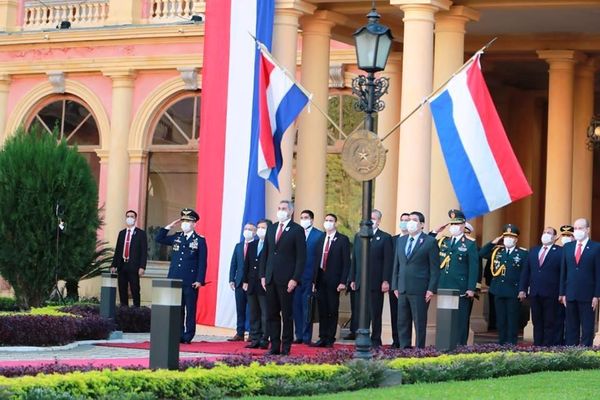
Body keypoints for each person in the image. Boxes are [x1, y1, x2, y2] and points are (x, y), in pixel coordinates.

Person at [260, 200, 306, 355]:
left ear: (291, 211)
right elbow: (265, 253)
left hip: (287, 280)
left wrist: (295, 278)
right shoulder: (272, 228)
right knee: (271, 314)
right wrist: (263, 275)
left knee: (286, 315)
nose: (280, 211)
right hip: (271, 278)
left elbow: (301, 257)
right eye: (279, 208)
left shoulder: (297, 230)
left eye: (284, 209)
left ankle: (286, 346)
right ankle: (274, 345)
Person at [155, 208, 207, 344]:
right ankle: (178, 334)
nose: (184, 223)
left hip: (190, 281)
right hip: (174, 279)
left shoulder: (200, 240)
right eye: (183, 220)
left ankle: (188, 335)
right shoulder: (177, 237)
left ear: (194, 224)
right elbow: (159, 239)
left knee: (190, 309)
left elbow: (202, 262)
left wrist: (199, 280)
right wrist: (169, 227)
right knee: (177, 309)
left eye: (188, 221)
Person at [390, 211, 439, 348]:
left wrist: (431, 289)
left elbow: (435, 269)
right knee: (402, 322)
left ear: (422, 224)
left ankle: (419, 350)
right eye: (409, 219)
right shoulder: (401, 240)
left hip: (420, 289)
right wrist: (395, 285)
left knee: (419, 322)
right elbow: (396, 265)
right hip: (402, 288)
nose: (410, 222)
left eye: (414, 220)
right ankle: (404, 349)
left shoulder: (430, 242)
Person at [349, 209, 393, 348]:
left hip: (376, 282)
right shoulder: (358, 236)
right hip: (360, 281)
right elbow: (355, 259)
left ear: (379, 221)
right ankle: (361, 337)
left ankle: (375, 340)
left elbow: (388, 261)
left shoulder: (385, 237)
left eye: (373, 218)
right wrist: (352, 278)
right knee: (361, 312)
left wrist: (386, 280)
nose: (370, 221)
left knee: (375, 313)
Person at [480, 224, 528, 345]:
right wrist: (493, 242)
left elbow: (525, 273)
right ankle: (502, 342)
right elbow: (481, 253)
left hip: (514, 291)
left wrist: (523, 289)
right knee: (500, 320)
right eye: (505, 237)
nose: (508, 239)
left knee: (512, 319)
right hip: (498, 290)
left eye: (511, 237)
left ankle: (511, 343)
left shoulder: (522, 253)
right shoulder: (497, 251)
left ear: (516, 239)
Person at [437, 209, 479, 346]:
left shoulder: (470, 244)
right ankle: (444, 345)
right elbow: (429, 244)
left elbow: (473, 268)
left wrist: (471, 288)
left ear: (463, 225)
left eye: (457, 224)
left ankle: (460, 346)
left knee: (460, 320)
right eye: (452, 224)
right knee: (445, 319)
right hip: (445, 285)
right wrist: (435, 231)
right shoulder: (444, 242)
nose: (454, 227)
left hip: (461, 288)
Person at [559, 218, 600, 347]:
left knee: (587, 328)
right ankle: (571, 354)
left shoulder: (596, 247)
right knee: (571, 327)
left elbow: (598, 273)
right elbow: (563, 272)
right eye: (575, 228)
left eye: (580, 228)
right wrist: (562, 293)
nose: (577, 231)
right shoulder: (568, 247)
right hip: (570, 293)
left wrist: (596, 295)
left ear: (587, 230)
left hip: (588, 295)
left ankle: (585, 354)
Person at [518, 227, 562, 346]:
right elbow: (526, 271)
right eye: (544, 232)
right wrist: (522, 288)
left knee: (549, 322)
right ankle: (537, 346)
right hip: (535, 292)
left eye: (549, 233)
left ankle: (547, 347)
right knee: (537, 322)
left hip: (552, 293)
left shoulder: (560, 251)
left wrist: (562, 292)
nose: (545, 235)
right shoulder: (534, 250)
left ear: (554, 237)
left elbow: (563, 273)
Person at [312, 213, 350, 347]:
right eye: (326, 220)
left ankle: (330, 337)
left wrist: (343, 281)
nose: (328, 222)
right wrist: (313, 280)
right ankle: (322, 336)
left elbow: (346, 262)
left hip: (334, 280)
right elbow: (316, 260)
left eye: (331, 220)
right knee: (322, 309)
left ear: (336, 223)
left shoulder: (342, 240)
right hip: (321, 278)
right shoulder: (321, 238)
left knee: (332, 309)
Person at [293, 210, 324, 344]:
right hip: (296, 277)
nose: (303, 220)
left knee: (307, 307)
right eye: (301, 217)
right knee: (296, 307)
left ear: (311, 219)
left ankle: (306, 337)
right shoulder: (296, 233)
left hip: (310, 276)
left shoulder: (318, 235)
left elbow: (318, 258)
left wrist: (315, 279)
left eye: (306, 217)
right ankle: (298, 335)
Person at [110, 210, 147, 307]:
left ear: (135, 219)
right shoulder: (122, 233)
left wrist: (142, 267)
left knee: (135, 289)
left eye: (132, 216)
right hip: (122, 265)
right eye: (128, 216)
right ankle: (124, 310)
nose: (129, 218)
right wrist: (113, 265)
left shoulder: (141, 234)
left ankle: (136, 310)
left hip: (134, 266)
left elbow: (144, 252)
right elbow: (118, 250)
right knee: (122, 289)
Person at [243, 219, 270, 349]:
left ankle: (265, 339)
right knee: (254, 313)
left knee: (265, 314)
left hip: (264, 285)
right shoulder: (252, 244)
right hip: (252, 284)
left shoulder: (271, 245)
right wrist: (245, 281)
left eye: (263, 228)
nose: (260, 230)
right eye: (258, 227)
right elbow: (246, 264)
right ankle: (255, 338)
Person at [228, 222, 256, 341]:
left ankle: (251, 333)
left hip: (251, 283)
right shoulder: (238, 246)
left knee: (251, 309)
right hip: (238, 282)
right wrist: (231, 279)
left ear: (254, 232)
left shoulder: (256, 246)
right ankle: (239, 332)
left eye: (250, 229)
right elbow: (233, 263)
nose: (247, 231)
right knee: (240, 309)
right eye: (246, 229)